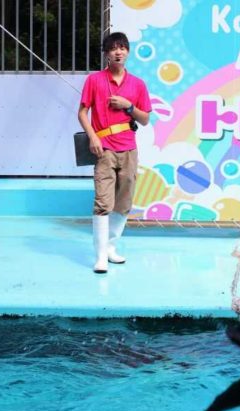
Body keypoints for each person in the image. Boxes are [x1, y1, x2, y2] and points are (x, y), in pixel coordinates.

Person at [77, 32, 151, 273]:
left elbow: (146, 119)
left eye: (122, 48)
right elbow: (82, 113)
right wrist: (93, 136)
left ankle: (110, 246)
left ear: (128, 52)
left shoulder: (138, 84)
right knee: (102, 202)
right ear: (106, 54)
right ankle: (99, 257)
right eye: (113, 48)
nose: (118, 52)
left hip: (129, 148)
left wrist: (128, 106)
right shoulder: (95, 80)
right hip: (104, 149)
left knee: (124, 202)